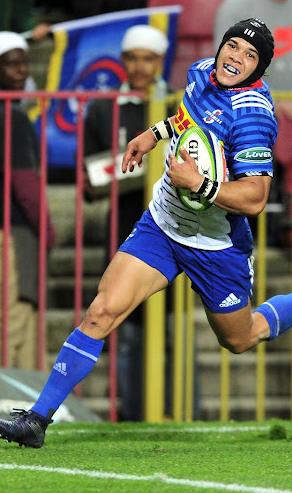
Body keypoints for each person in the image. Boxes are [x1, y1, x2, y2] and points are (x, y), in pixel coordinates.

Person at [0, 18, 292, 448]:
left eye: (250, 56)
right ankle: (37, 420)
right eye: (233, 46)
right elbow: (188, 116)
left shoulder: (252, 117)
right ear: (220, 45)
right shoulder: (203, 71)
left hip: (215, 245)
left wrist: (199, 185)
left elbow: (255, 197)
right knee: (101, 311)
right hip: (164, 224)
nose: (235, 58)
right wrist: (154, 134)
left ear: (260, 68)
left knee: (239, 339)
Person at [82, 24, 172, 421]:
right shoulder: (103, 108)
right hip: (125, 228)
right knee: (128, 329)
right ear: (122, 62)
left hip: (177, 228)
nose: (140, 66)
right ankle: (135, 416)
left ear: (160, 61)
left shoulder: (178, 103)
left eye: (147, 58)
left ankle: (185, 413)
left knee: (175, 331)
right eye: (133, 58)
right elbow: (88, 178)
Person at [0, 31, 56, 369]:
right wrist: (46, 229)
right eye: (11, 65)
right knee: (4, 329)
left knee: (21, 326)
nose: (21, 71)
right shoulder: (10, 114)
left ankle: (21, 411)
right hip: (10, 235)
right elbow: (24, 181)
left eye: (23, 63)